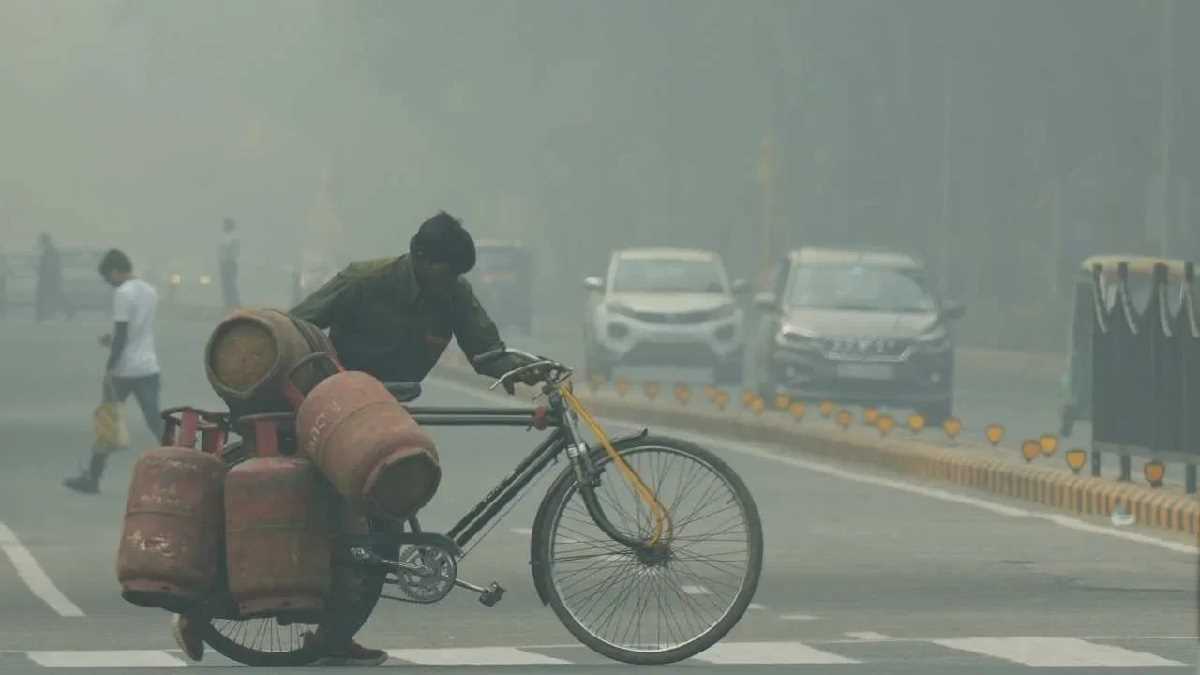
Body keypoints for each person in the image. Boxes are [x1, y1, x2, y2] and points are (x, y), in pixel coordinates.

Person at [170, 212, 546, 667]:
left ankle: (333, 635)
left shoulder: (454, 293)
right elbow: (294, 330)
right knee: (303, 522)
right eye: (444, 272)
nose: (449, 282)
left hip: (388, 419)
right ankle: (201, 610)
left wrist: (529, 371)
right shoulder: (363, 281)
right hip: (334, 413)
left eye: (457, 276)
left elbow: (486, 353)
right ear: (420, 257)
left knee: (382, 532)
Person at [64, 249, 163, 494]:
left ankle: (93, 479)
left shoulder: (123, 293)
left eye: (108, 277)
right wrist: (113, 341)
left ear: (115, 271)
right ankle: (187, 467)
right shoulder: (150, 291)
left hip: (123, 371)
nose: (109, 283)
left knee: (107, 421)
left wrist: (109, 366)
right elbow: (135, 332)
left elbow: (121, 336)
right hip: (149, 367)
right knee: (157, 422)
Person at [35, 233, 72, 321]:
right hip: (51, 279)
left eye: (42, 241)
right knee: (55, 296)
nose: (40, 243)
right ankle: (41, 315)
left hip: (49, 279)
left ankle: (40, 316)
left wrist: (41, 272)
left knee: (46, 296)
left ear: (45, 241)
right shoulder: (50, 251)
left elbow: (50, 267)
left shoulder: (50, 252)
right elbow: (51, 266)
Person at [218, 217, 240, 308]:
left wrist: (228, 257)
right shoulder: (223, 236)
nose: (224, 226)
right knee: (225, 284)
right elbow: (221, 250)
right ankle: (228, 304)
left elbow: (233, 250)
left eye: (226, 224)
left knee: (230, 284)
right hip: (224, 263)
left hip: (230, 263)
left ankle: (234, 303)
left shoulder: (234, 236)